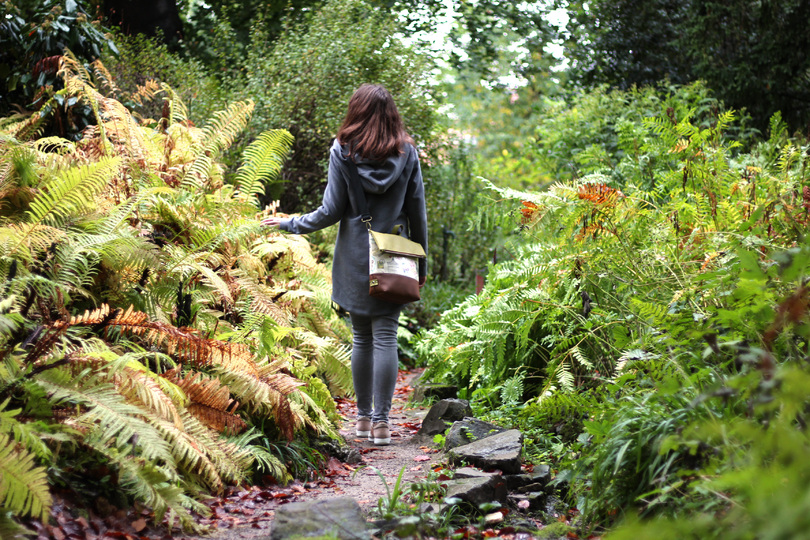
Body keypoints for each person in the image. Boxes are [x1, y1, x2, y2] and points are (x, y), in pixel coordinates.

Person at [262, 84, 428, 445]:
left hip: (354, 254)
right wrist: (422, 264)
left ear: (356, 111)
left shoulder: (343, 151)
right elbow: (418, 211)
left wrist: (290, 223)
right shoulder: (407, 152)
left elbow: (330, 211)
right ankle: (383, 424)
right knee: (386, 336)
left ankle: (363, 421)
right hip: (394, 256)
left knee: (361, 337)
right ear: (392, 115)